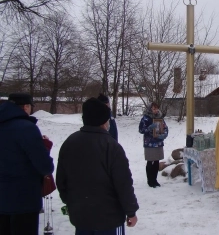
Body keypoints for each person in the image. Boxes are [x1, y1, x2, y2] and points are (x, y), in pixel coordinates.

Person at [56, 98, 139, 234]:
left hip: (81, 214)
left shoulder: (69, 143)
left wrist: (71, 202)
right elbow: (123, 183)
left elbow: (61, 179)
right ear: (102, 121)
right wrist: (131, 212)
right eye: (107, 119)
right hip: (108, 217)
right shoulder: (111, 146)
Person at [0, 93, 54, 235]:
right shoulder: (26, 128)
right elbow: (44, 166)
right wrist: (45, 147)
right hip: (23, 200)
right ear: (25, 107)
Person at [139, 102, 169, 188]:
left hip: (158, 143)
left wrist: (165, 134)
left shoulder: (160, 118)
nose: (155, 110)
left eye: (156, 108)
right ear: (150, 109)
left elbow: (165, 127)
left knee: (156, 161)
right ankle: (150, 180)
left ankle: (155, 180)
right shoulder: (145, 118)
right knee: (150, 161)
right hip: (149, 143)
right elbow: (141, 130)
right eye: (154, 108)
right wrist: (149, 128)